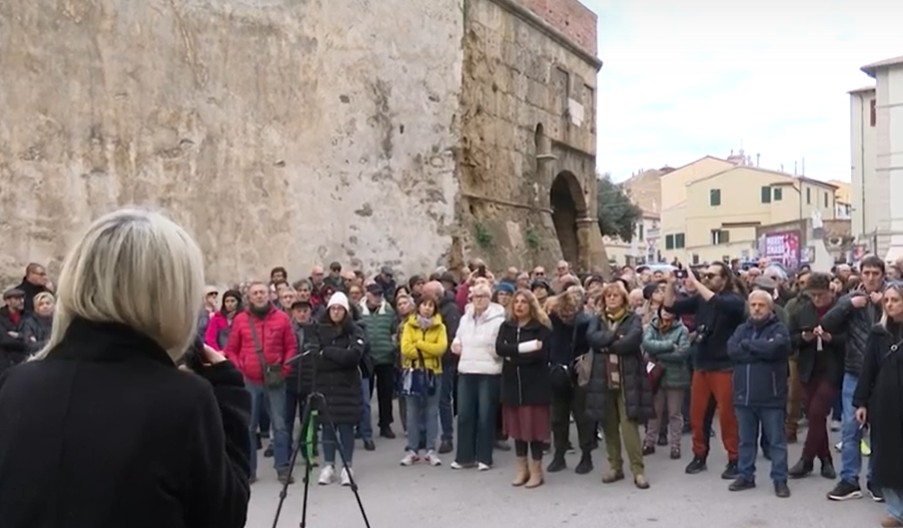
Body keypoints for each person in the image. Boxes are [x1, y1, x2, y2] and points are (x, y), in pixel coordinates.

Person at [0, 208, 251, 528]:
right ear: (170, 295)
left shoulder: (16, 386)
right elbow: (222, 516)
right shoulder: (182, 401)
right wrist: (227, 397)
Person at [663, 261, 746, 479]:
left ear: (725, 279)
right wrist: (671, 285)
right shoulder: (701, 300)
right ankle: (699, 456)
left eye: (712, 276)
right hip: (701, 364)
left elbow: (715, 300)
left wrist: (695, 279)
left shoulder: (734, 300)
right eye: (705, 276)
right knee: (698, 416)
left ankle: (734, 459)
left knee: (728, 417)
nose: (707, 279)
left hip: (724, 366)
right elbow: (670, 306)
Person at [821, 255, 885, 501]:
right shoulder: (850, 299)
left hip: (884, 374)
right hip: (854, 372)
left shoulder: (892, 297)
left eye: (875, 273)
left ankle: (877, 480)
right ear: (861, 274)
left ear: (882, 275)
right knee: (851, 428)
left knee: (881, 429)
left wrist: (882, 305)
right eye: (866, 273)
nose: (870, 278)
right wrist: (849, 305)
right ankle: (849, 480)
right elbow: (827, 323)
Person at [224, 281, 296, 484]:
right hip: (250, 381)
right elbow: (231, 350)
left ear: (269, 295)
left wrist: (285, 368)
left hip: (275, 380)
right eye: (255, 293)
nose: (259, 296)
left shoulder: (282, 319)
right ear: (249, 297)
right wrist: (241, 368)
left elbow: (291, 347)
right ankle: (249, 470)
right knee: (248, 427)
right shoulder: (240, 320)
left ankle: (282, 467)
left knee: (280, 425)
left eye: (262, 292)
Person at [586, 283, 654, 489]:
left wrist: (606, 344)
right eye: (608, 296)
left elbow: (631, 342)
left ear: (623, 299)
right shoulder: (596, 319)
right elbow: (592, 338)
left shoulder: (632, 318)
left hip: (628, 379)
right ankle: (615, 466)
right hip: (602, 378)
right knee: (609, 426)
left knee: (629, 425)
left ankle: (638, 470)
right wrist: (614, 337)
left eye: (616, 296)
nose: (612, 299)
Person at [726, 291, 792, 498]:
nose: (756, 308)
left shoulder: (779, 329)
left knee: (776, 442)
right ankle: (746, 476)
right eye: (753, 304)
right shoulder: (741, 329)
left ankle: (780, 479)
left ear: (770, 308)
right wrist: (758, 351)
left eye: (761, 305)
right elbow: (732, 351)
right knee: (746, 440)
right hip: (743, 396)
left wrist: (748, 347)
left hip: (771, 397)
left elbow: (775, 349)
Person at [854, 282, 903, 528]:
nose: (891, 304)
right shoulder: (878, 332)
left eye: (896, 300)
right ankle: (896, 511)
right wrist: (861, 401)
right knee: (887, 457)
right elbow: (868, 369)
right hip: (885, 403)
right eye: (888, 300)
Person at [787, 273, 843, 480]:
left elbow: (849, 339)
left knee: (818, 412)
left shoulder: (840, 310)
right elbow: (789, 338)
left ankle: (806, 459)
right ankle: (826, 459)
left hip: (831, 367)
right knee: (813, 415)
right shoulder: (802, 311)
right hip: (808, 367)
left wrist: (831, 338)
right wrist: (803, 337)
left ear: (830, 291)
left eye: (821, 295)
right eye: (813, 295)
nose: (817, 299)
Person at [496, 289, 553, 489]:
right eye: (516, 302)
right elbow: (499, 349)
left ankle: (537, 470)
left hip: (534, 385)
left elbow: (540, 355)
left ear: (531, 305)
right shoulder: (507, 326)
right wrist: (523, 349)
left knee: (533, 430)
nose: (519, 305)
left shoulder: (541, 329)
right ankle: (522, 468)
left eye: (524, 302)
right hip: (512, 383)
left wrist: (515, 355)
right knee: (518, 430)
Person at [450, 282, 506, 470]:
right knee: (464, 414)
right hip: (466, 369)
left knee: (485, 415)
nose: (479, 300)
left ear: (489, 299)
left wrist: (493, 352)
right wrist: (455, 344)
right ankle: (464, 456)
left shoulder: (498, 319)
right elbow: (458, 337)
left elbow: (499, 345)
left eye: (483, 296)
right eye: (475, 296)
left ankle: (484, 457)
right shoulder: (465, 318)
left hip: (488, 372)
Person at [315, 292, 366, 487]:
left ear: (346, 311)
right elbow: (315, 358)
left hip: (347, 387)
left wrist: (328, 352)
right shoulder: (319, 330)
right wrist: (338, 357)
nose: (336, 312)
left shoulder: (355, 331)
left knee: (346, 426)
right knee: (327, 426)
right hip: (325, 386)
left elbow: (353, 357)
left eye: (340, 309)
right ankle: (328, 466)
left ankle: (347, 466)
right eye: (333, 308)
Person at [399, 295, 448, 466]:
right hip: (413, 371)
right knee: (412, 412)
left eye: (431, 306)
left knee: (431, 412)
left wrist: (419, 344)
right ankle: (412, 449)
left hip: (433, 372)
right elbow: (406, 349)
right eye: (424, 305)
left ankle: (430, 449)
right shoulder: (408, 326)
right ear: (418, 307)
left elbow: (440, 348)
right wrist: (425, 349)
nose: (427, 308)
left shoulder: (440, 326)